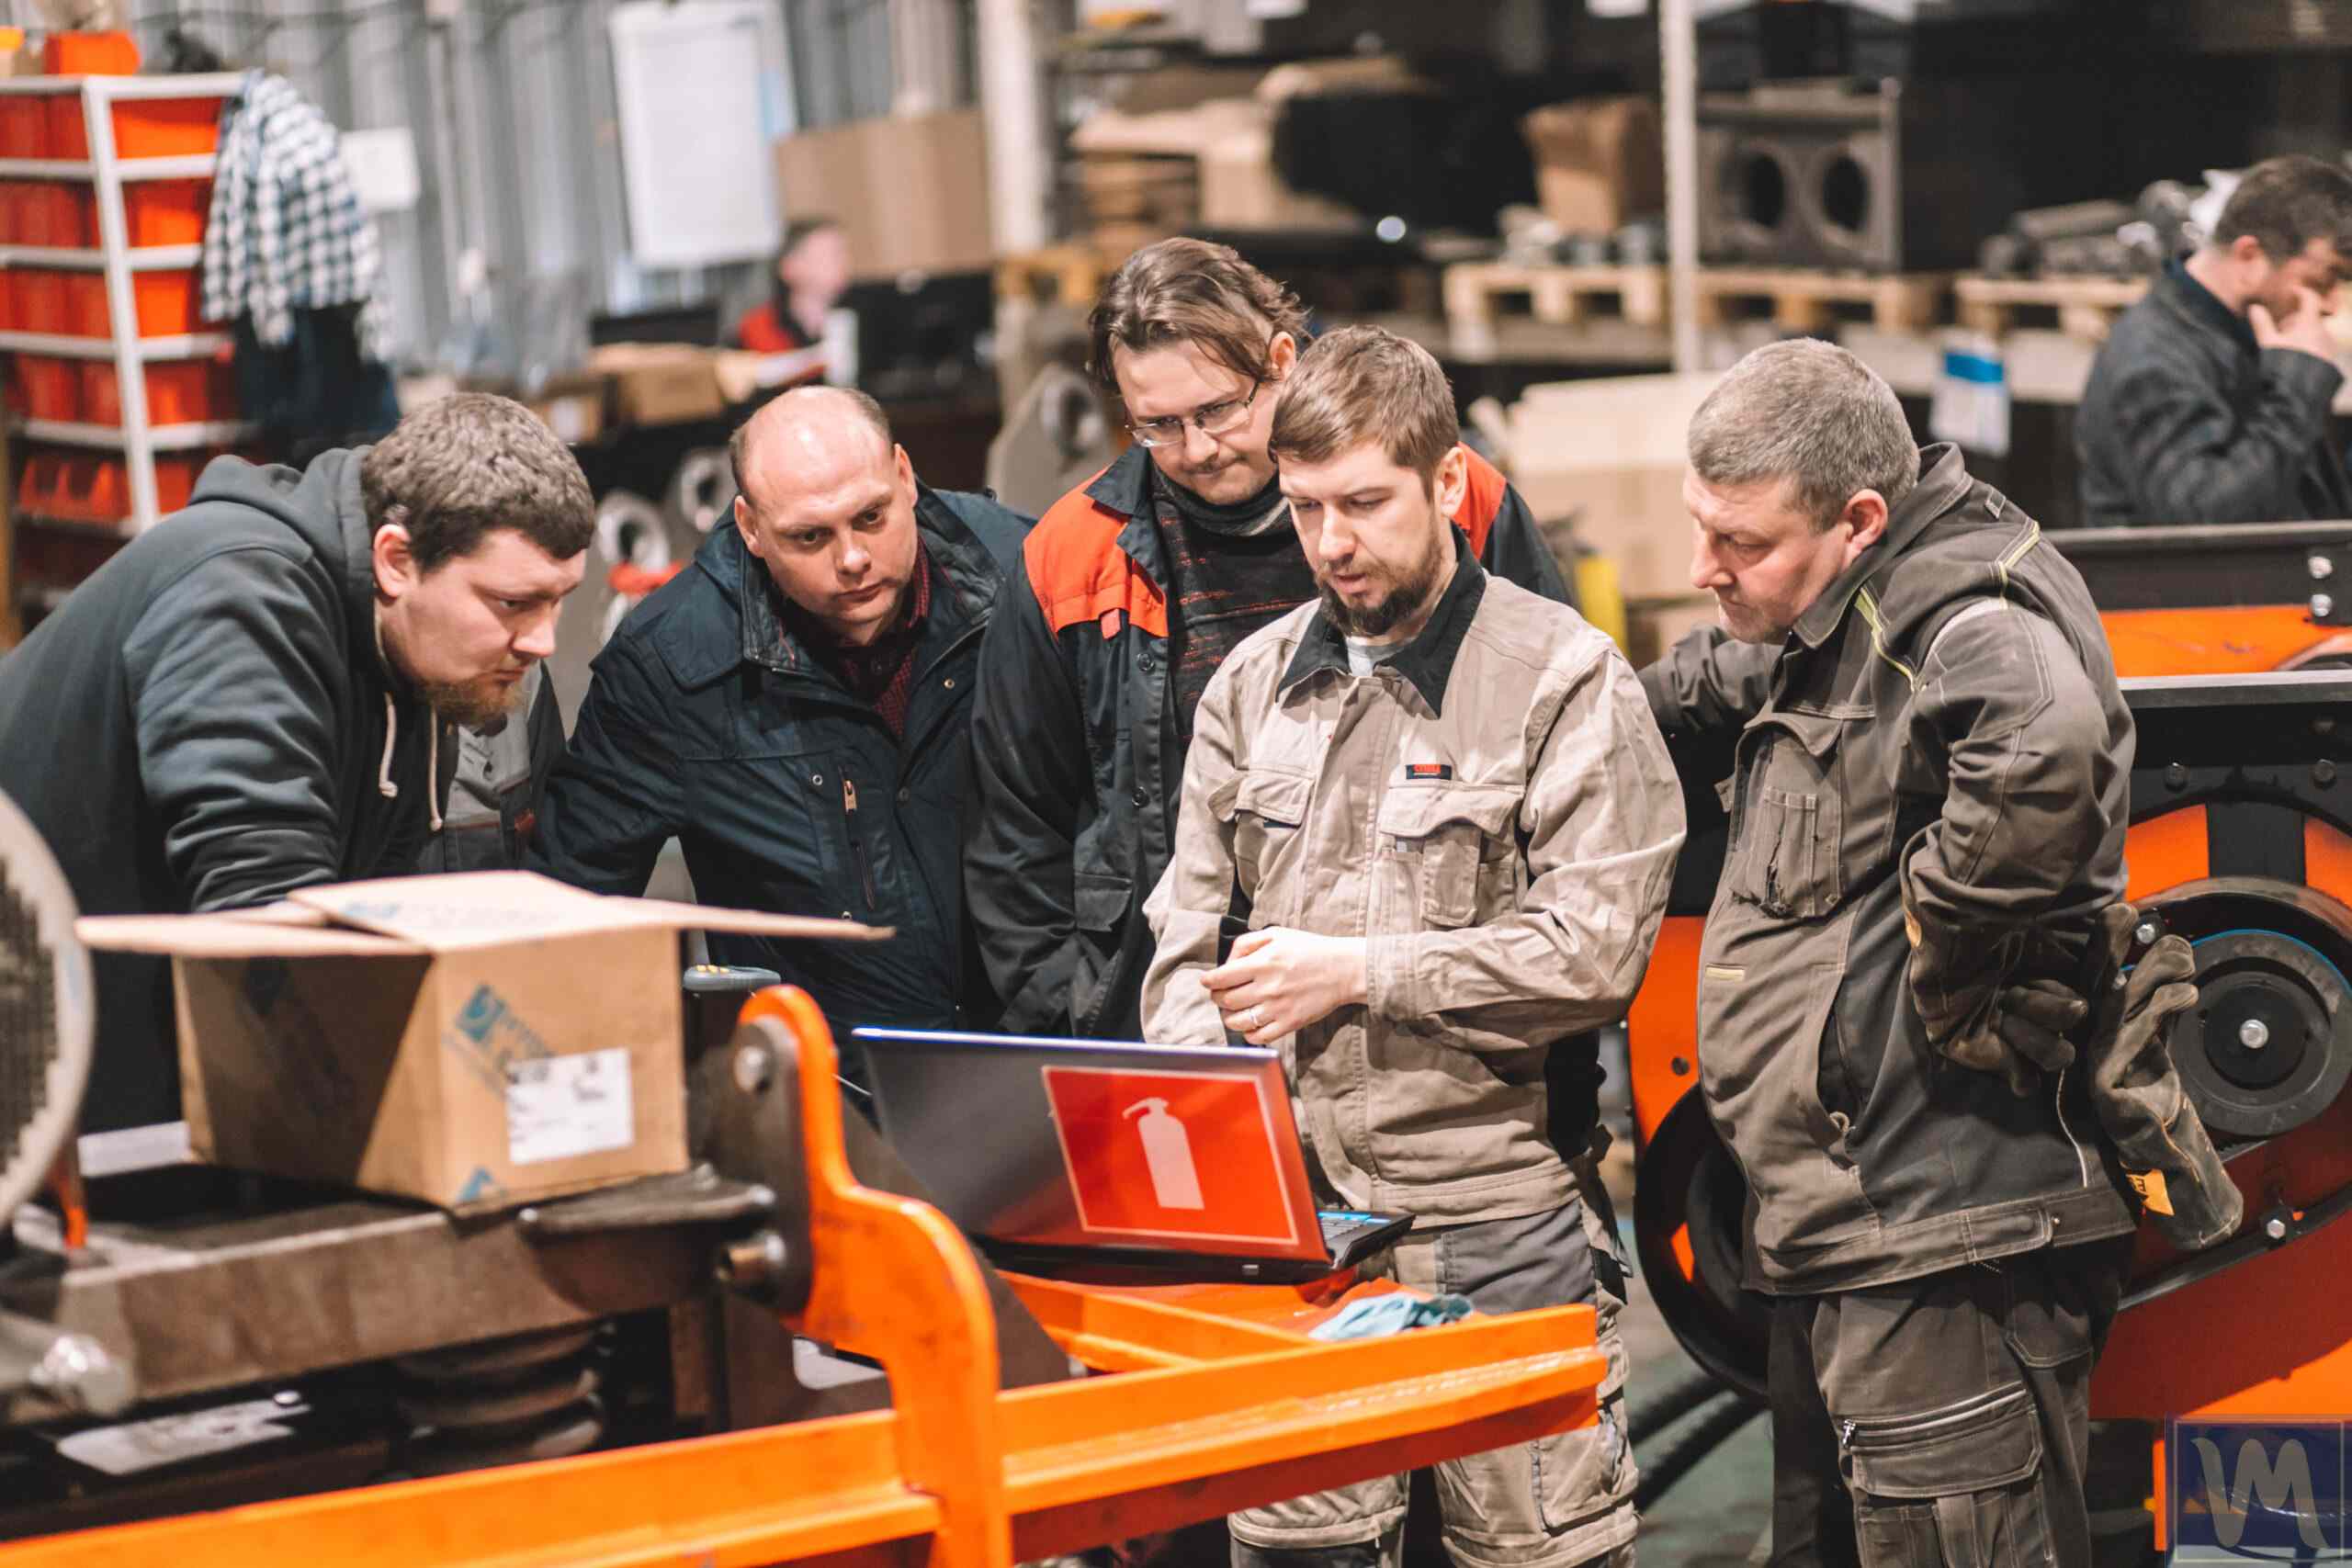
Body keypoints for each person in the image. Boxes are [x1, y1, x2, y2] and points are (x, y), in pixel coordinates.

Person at [1142, 326, 1681, 1568]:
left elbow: (1594, 952)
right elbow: (1184, 928)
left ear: (1447, 484)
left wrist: (1363, 970)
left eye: (1365, 503)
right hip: (1301, 1240)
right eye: (1305, 508)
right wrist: (1206, 1110)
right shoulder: (1251, 685)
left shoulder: (1562, 681)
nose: (1332, 542)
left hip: (1492, 1224)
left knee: (1538, 1550)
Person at [1643, 340, 2149, 1567]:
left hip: (1944, 1238)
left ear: (1861, 517)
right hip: (1843, 1230)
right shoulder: (1835, 605)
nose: (1705, 567)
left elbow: (2044, 744)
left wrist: (1955, 951)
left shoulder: (1969, 609)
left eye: (1741, 543)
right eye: (1700, 528)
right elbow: (1713, 675)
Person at [967, 237, 1573, 1042]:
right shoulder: (1072, 554)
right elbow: (1016, 830)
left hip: (1429, 1017)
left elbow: (1558, 752)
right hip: (1177, 1020)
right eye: (1159, 425)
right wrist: (1083, 1019)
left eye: (1219, 410)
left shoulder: (1453, 507)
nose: (1198, 448)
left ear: (1283, 358)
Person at [0, 392, 593, 1131]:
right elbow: (268, 923)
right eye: (514, 602)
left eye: (559, 601)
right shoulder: (240, 598)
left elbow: (360, 917)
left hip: (145, 1075)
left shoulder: (412, 649)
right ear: (396, 559)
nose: (543, 641)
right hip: (42, 1076)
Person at [530, 387, 1030, 1065]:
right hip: (831, 1092)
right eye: (810, 536)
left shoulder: (1025, 575)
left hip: (1042, 1048)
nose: (852, 558)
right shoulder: (672, 668)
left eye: (871, 516)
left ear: (906, 477)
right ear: (750, 527)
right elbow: (567, 912)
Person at [2078, 154, 2352, 525]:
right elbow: (2204, 518)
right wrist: (2298, 386)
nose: (2332, 304)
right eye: (2324, 279)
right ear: (2250, 255)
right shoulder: (2154, 357)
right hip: (2186, 583)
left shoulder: (2251, 330)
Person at [734, 216, 852, 384]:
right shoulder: (761, 324)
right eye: (829, 254)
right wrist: (823, 357)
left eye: (842, 253)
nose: (842, 263)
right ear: (790, 267)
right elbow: (766, 377)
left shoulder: (861, 313)